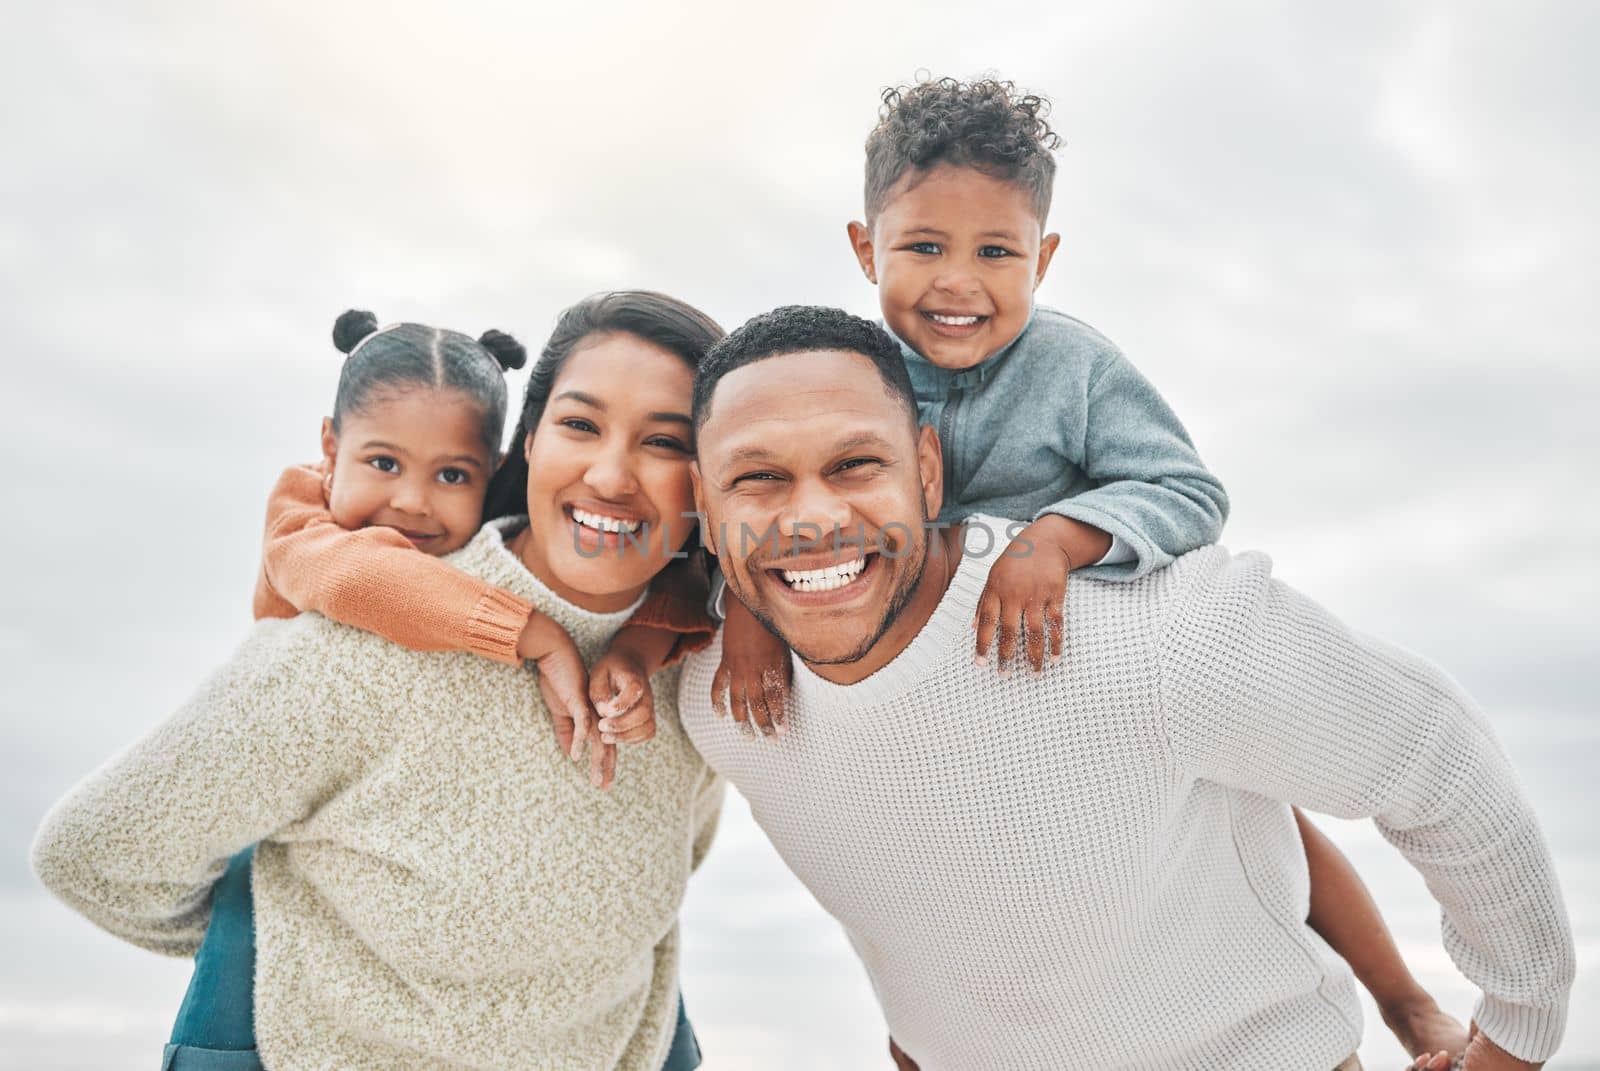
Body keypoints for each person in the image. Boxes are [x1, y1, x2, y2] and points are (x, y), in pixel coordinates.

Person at [719, 72, 1475, 1066]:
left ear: (1047, 256)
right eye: (922, 248)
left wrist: (1062, 536)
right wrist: (741, 614)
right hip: (954, 685)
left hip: (1090, 651)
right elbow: (764, 506)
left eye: (997, 252)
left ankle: (1406, 1004)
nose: (958, 281)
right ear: (865, 250)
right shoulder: (841, 377)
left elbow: (1186, 490)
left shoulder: (1071, 368)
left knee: (1259, 811)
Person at [678, 305, 1574, 1071]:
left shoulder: (1158, 635)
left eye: (854, 465)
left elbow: (1436, 757)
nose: (814, 518)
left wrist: (1518, 1030)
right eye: (758, 478)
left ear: (927, 468)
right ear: (704, 503)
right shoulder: (713, 700)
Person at [32, 294, 726, 1070]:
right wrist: (299, 950)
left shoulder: (695, 669)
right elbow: (94, 853)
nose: (609, 473)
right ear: (528, 442)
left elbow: (676, 857)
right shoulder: (358, 650)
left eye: (665, 441)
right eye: (579, 423)